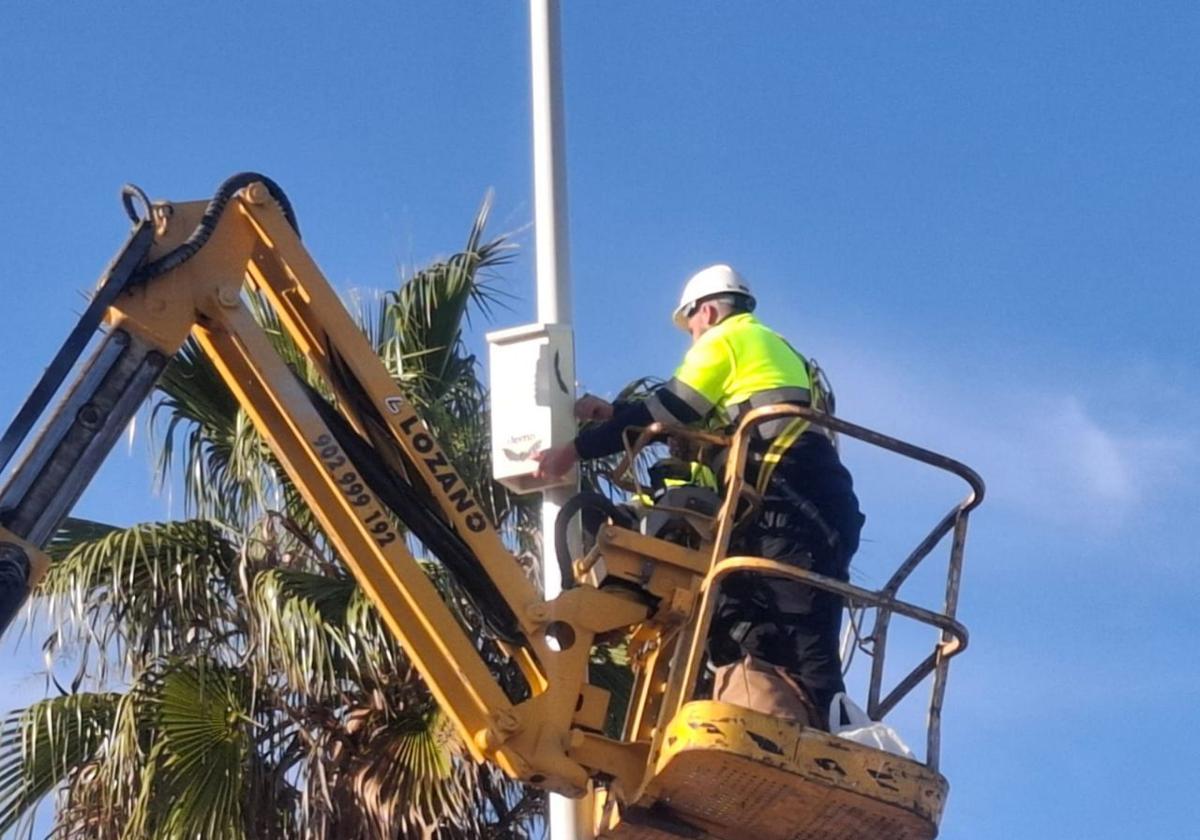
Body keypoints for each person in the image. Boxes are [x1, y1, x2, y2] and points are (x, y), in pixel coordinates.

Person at [533, 264, 865, 728]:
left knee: (796, 624)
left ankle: (821, 735)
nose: (691, 338)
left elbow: (672, 408)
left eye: (690, 327)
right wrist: (615, 414)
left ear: (705, 312)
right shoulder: (772, 349)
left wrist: (575, 450)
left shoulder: (725, 340)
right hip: (809, 497)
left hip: (792, 498)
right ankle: (815, 723)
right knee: (771, 617)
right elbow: (692, 417)